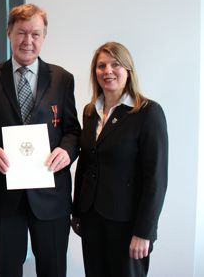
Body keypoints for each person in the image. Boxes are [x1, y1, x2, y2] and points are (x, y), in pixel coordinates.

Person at [0, 3, 81, 277]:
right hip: (4, 196)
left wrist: (67, 151)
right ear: (9, 33)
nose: (28, 41)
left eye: (36, 34)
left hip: (51, 196)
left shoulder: (63, 79)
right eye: (21, 32)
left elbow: (73, 131)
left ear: (44, 37)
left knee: (53, 270)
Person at [71, 42, 168, 277]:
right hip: (92, 219)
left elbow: (156, 179)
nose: (108, 71)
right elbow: (85, 164)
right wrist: (77, 211)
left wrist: (144, 232)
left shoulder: (147, 112)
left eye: (116, 64)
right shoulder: (90, 111)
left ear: (128, 70)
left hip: (127, 224)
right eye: (101, 66)